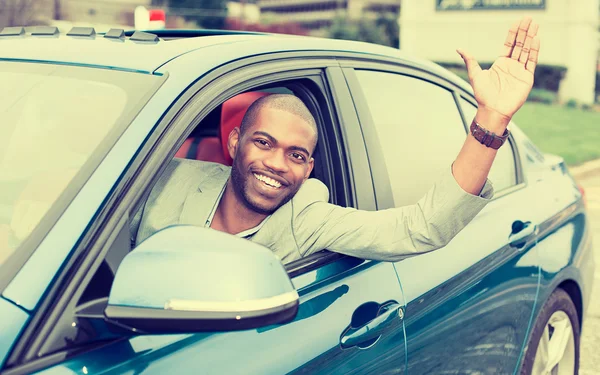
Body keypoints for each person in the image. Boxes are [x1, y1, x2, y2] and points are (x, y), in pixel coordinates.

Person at [134, 17, 541, 264]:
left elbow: (422, 228)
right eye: (263, 143)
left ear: (308, 168)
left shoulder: (307, 220)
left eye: (296, 154)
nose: (277, 163)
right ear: (235, 141)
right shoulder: (169, 179)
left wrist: (491, 119)